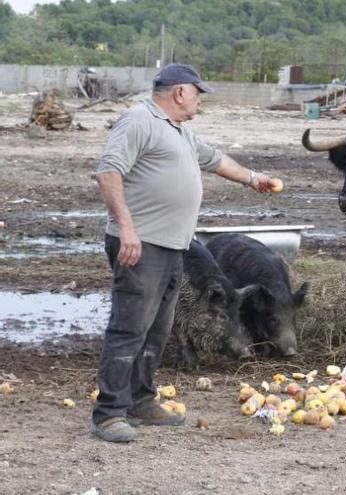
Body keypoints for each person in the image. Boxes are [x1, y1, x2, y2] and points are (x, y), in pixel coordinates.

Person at [90, 64, 278, 442]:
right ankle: (109, 413)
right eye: (197, 92)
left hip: (173, 247)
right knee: (129, 328)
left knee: (157, 328)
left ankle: (140, 401)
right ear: (179, 93)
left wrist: (255, 179)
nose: (199, 99)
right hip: (140, 244)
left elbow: (217, 160)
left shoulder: (181, 132)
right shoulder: (138, 120)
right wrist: (127, 229)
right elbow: (109, 172)